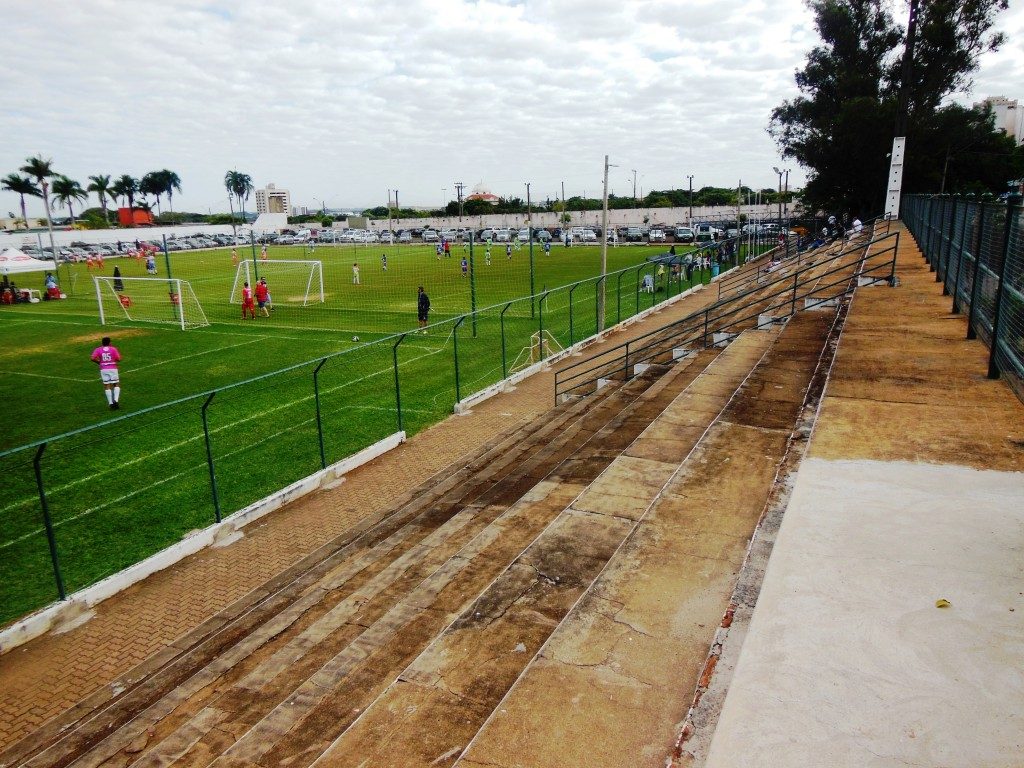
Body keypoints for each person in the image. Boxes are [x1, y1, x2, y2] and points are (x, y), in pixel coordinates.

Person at [90, 336, 122, 410]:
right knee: (116, 384)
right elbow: (119, 359)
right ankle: (116, 401)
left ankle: (110, 403)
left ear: (102, 343)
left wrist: (99, 362)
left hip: (103, 369)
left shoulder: (98, 349)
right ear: (110, 342)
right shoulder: (113, 349)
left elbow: (92, 358)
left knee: (107, 385)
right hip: (113, 368)